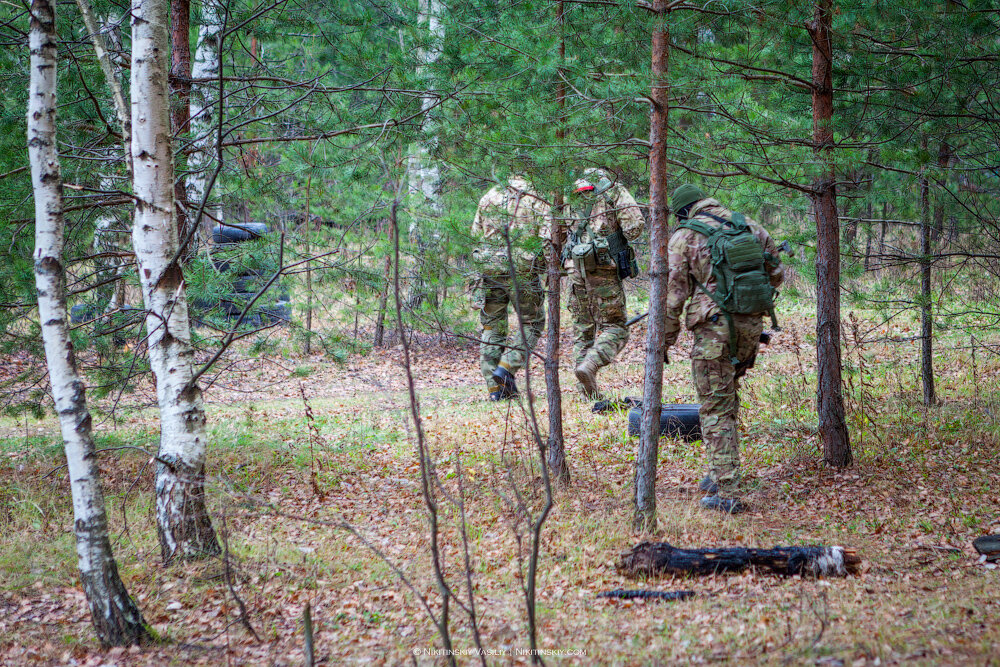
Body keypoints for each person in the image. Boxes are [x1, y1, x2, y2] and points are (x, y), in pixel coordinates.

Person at [663, 184, 784, 514]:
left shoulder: (685, 236)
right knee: (726, 398)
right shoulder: (749, 226)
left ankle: (728, 493)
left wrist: (664, 341)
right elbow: (776, 273)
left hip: (715, 329)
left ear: (684, 211)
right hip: (750, 327)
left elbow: (673, 297)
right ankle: (720, 471)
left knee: (715, 408)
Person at [564, 169, 646, 400]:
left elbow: (557, 231)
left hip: (575, 269)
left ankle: (586, 394)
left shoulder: (570, 194)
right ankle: (590, 365)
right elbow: (634, 226)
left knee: (583, 330)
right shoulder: (614, 191)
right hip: (603, 268)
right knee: (616, 327)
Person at [470, 177, 551, 401]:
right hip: (522, 270)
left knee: (491, 327)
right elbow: (547, 238)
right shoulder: (537, 198)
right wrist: (550, 267)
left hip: (490, 269)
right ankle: (506, 368)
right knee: (532, 323)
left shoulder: (490, 196)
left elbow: (475, 234)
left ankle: (495, 390)